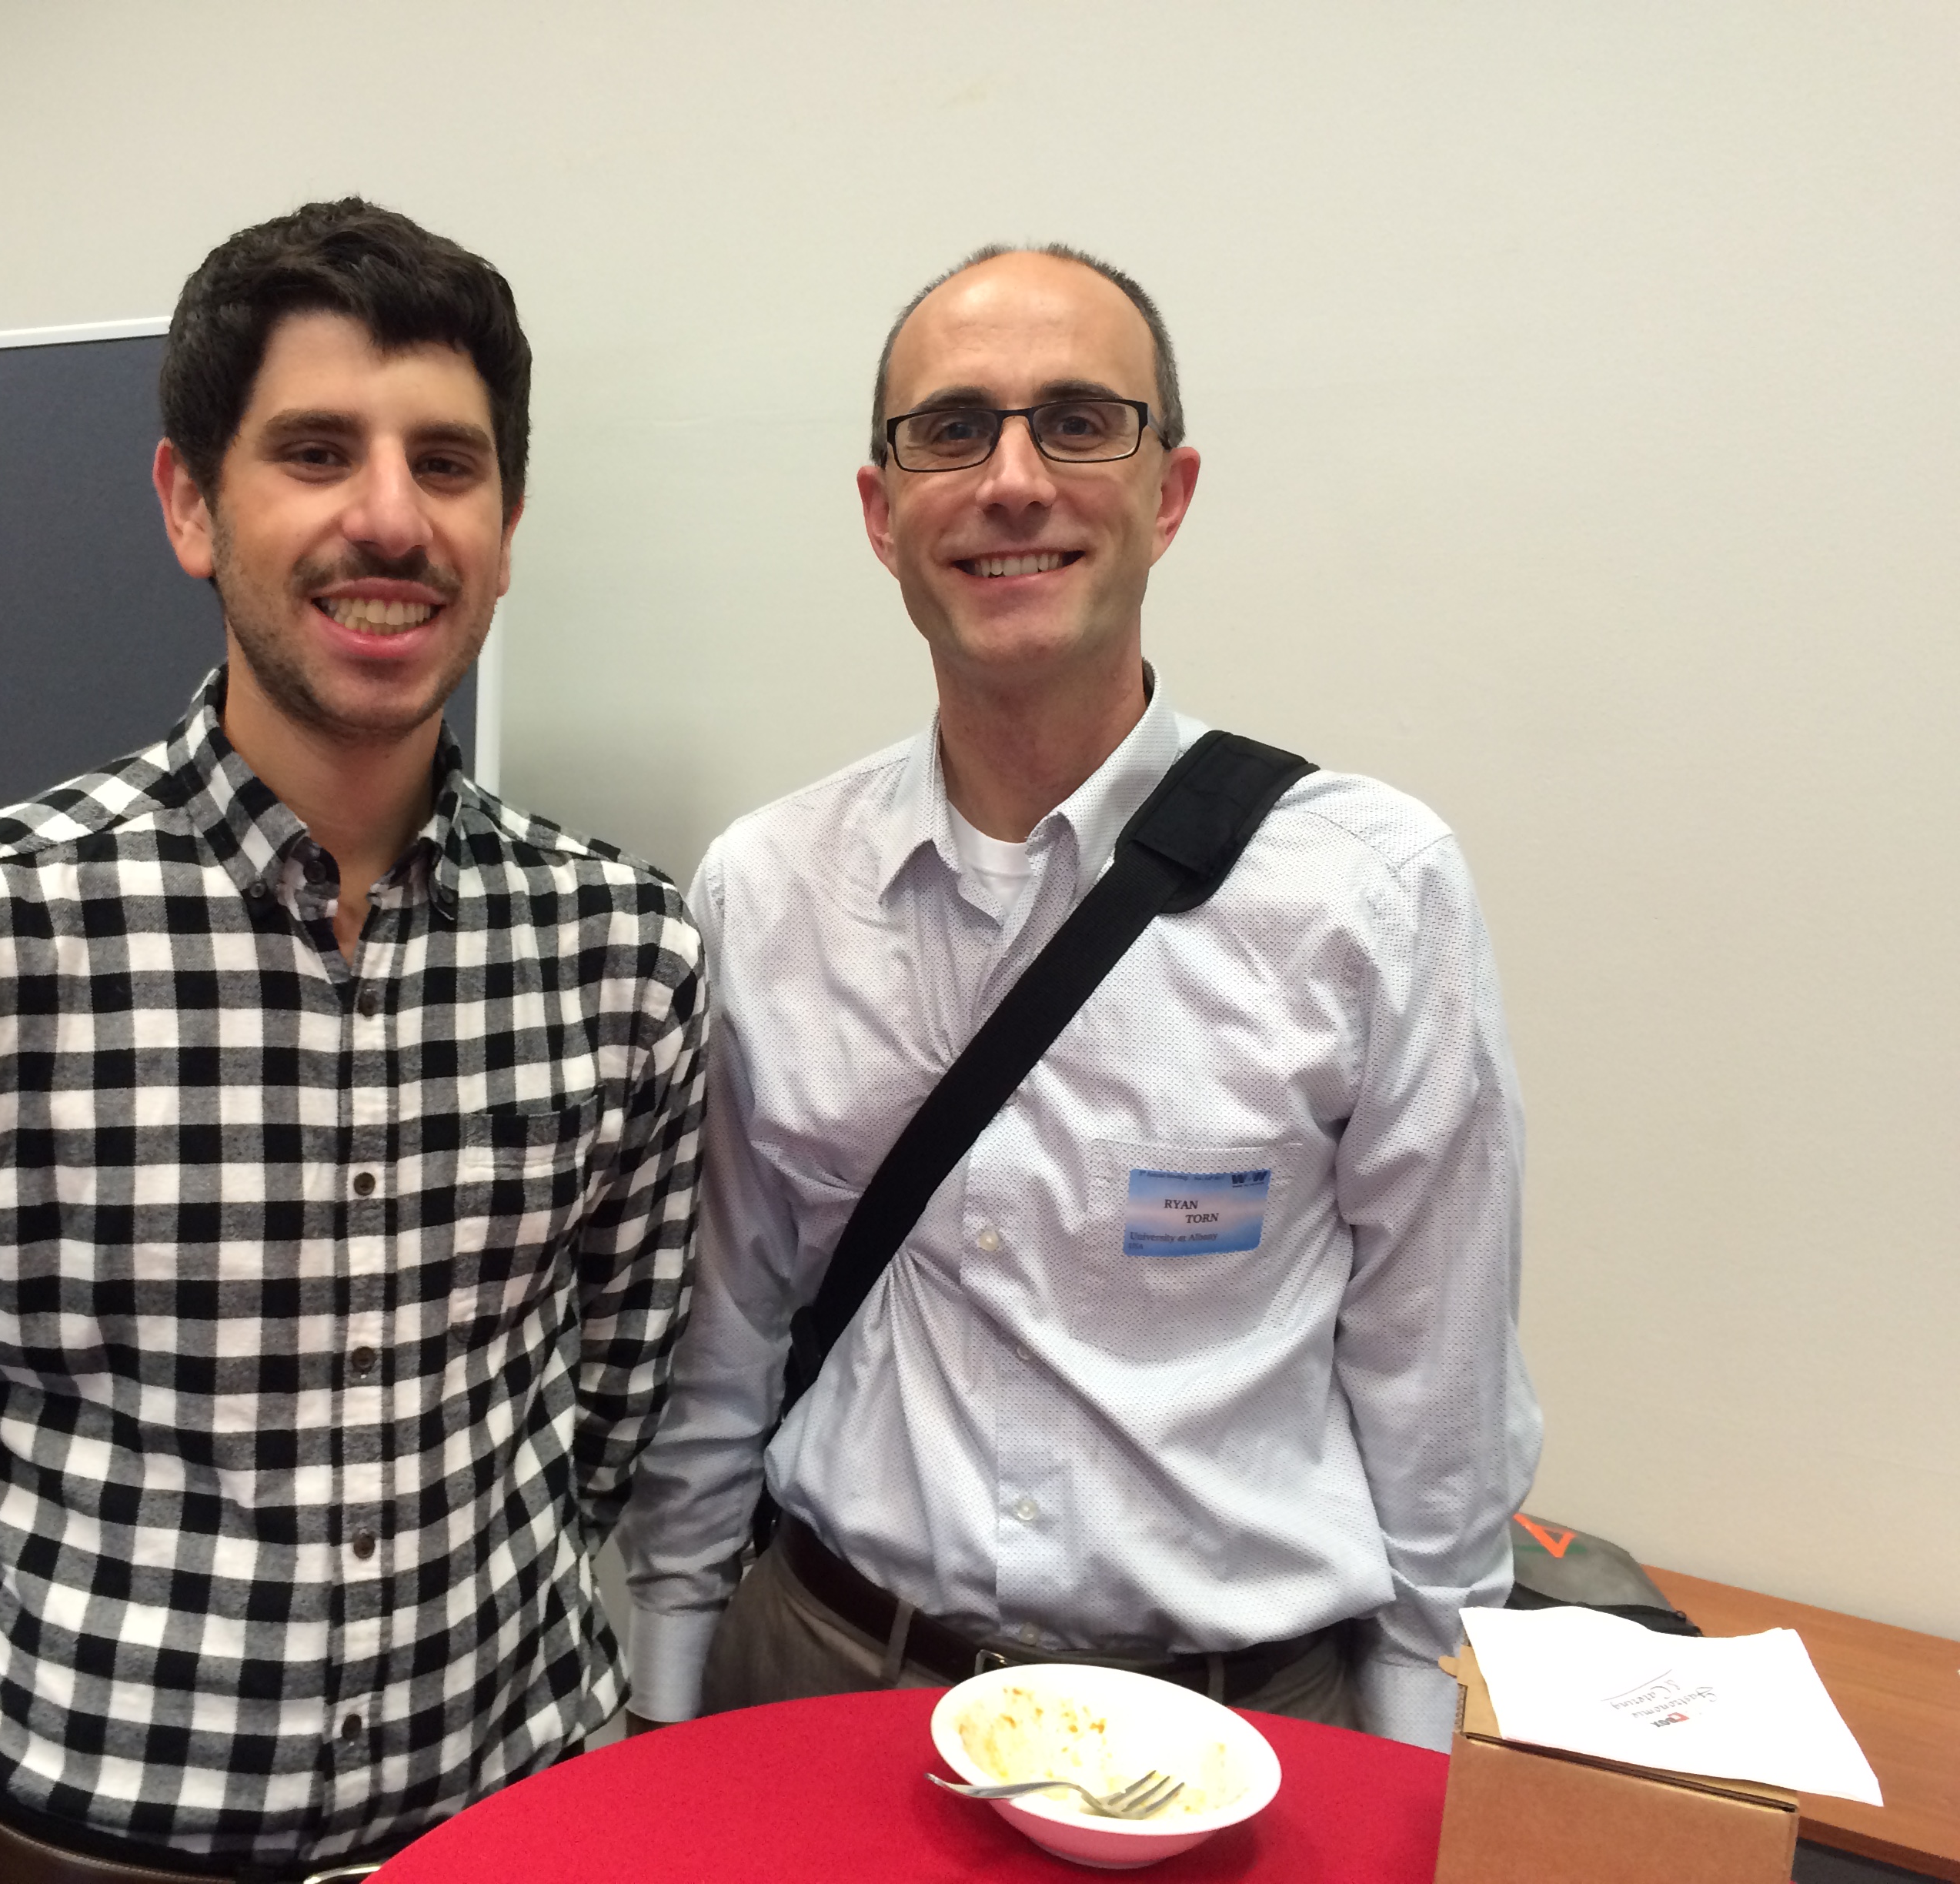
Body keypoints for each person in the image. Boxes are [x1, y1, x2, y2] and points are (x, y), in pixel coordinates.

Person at [0, 199, 708, 1881]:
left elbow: (606, 1405)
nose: (388, 516)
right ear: (192, 504)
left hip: (505, 1828)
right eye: (315, 452)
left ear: (508, 527)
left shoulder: (625, 951)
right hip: (80, 1849)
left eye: (447, 464)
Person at [618, 244, 1541, 1752]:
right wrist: (659, 1720)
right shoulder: (768, 890)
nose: (1013, 481)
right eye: (953, 430)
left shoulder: (1371, 895)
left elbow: (1434, 1406)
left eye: (1079, 423)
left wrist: (1420, 1780)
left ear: (1169, 491)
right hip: (823, 1683)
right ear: (883, 513)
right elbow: (719, 1353)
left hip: (1237, 1735)